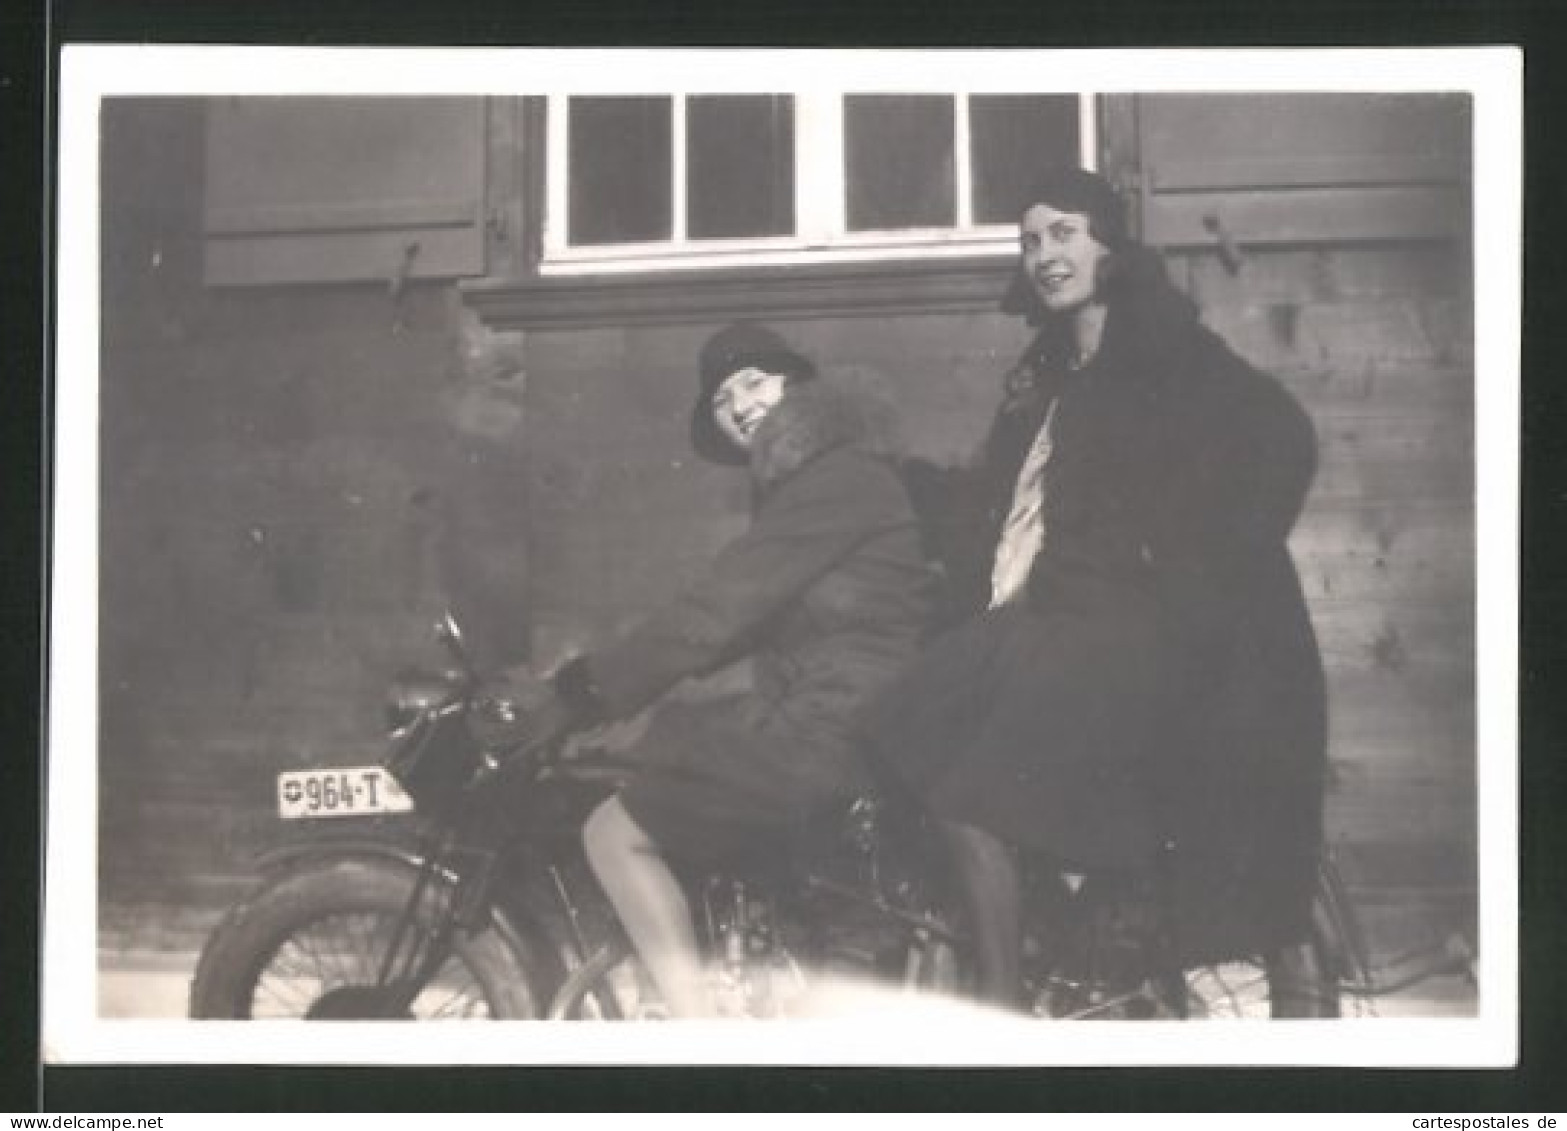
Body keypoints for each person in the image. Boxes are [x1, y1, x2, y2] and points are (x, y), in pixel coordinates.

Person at [861, 167, 1327, 1008]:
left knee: (976, 784)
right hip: (1052, 621)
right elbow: (1000, 505)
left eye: (1064, 232)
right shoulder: (1046, 373)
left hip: (1137, 633)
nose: (1044, 253)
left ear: (1108, 246)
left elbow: (1281, 438)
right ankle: (1023, 970)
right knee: (911, 724)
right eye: (1030, 240)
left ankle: (1010, 996)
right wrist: (899, 486)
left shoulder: (1167, 348)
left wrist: (1175, 562)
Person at [492, 322, 932, 1016]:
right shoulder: (824, 479)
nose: (739, 404)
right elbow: (725, 623)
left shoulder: (835, 480)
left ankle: (696, 1036)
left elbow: (715, 614)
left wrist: (578, 692)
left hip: (835, 726)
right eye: (723, 397)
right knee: (657, 752)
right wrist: (604, 683)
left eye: (754, 381)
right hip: (845, 719)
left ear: (798, 386)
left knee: (612, 831)